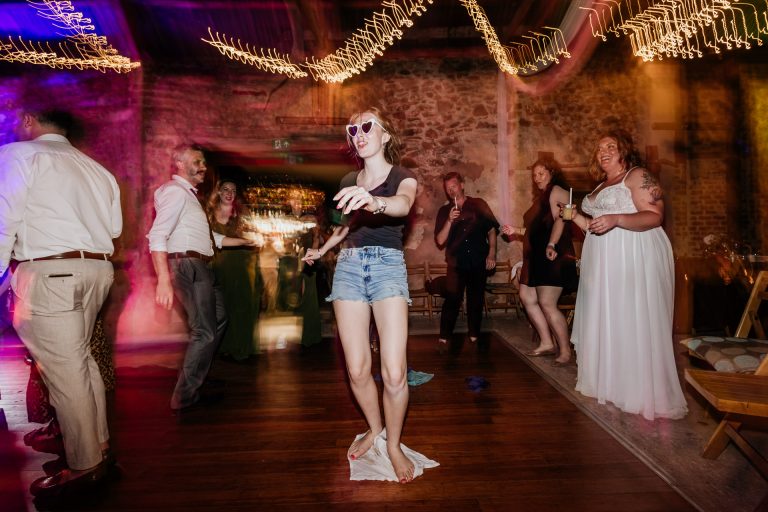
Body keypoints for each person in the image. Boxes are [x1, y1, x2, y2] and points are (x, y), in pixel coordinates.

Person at [0, 108, 122, 497]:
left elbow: (5, 219)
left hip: (52, 272)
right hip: (97, 271)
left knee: (66, 372)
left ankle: (85, 466)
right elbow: (115, 228)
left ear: (29, 120)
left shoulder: (19, 155)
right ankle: (99, 447)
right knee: (82, 362)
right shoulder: (97, 169)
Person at [302, 107, 419, 483]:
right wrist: (321, 252)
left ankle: (394, 445)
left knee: (395, 372)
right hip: (350, 268)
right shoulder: (349, 178)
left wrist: (375, 201)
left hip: (387, 267)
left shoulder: (403, 177)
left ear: (385, 136)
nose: (359, 133)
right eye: (354, 129)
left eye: (368, 126)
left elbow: (403, 204)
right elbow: (343, 228)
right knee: (356, 369)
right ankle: (375, 428)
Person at [566, 130, 687, 420]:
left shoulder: (637, 175)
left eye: (610, 146)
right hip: (602, 261)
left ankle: (638, 391)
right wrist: (575, 217)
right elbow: (594, 225)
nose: (603, 151)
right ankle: (609, 383)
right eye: (599, 148)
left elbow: (655, 215)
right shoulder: (600, 186)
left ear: (623, 151)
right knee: (608, 318)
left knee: (631, 317)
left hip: (633, 255)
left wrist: (618, 219)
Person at [147, 144, 253, 411]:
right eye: (197, 161)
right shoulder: (175, 192)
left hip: (199, 264)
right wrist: (162, 279)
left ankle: (195, 379)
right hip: (188, 265)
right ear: (179, 163)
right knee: (204, 331)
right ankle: (185, 395)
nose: (204, 167)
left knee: (218, 319)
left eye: (204, 162)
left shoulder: (188, 196)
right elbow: (158, 235)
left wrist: (243, 241)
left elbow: (209, 238)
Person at [501, 158, 578, 366]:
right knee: (526, 296)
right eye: (534, 175)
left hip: (551, 255)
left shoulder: (558, 191)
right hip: (535, 256)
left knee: (547, 303)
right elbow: (537, 230)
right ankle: (546, 342)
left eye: (541, 173)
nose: (537, 178)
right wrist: (515, 231)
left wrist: (552, 244)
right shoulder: (542, 198)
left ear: (552, 173)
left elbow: (561, 221)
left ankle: (565, 350)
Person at [434, 172, 499, 348]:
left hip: (478, 260)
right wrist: (448, 220)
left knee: (476, 299)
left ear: (462, 185)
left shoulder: (479, 204)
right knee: (452, 299)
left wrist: (492, 253)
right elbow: (440, 240)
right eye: (448, 189)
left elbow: (492, 229)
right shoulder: (444, 211)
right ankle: (444, 336)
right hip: (456, 263)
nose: (451, 190)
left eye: (453, 186)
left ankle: (474, 334)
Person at [206, 180, 261, 361]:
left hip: (242, 265)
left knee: (242, 307)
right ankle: (224, 347)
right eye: (226, 190)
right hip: (219, 266)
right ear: (219, 192)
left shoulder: (242, 214)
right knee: (223, 308)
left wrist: (253, 238)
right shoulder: (209, 215)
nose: (229, 193)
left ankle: (242, 348)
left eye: (233, 190)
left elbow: (255, 236)